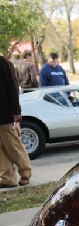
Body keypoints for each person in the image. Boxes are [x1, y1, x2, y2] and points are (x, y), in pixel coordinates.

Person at [0, 55, 32, 188]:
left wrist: (16, 111)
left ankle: (25, 173)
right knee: (0, 150)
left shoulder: (3, 63)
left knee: (13, 146)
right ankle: (7, 177)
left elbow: (13, 87)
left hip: (6, 114)